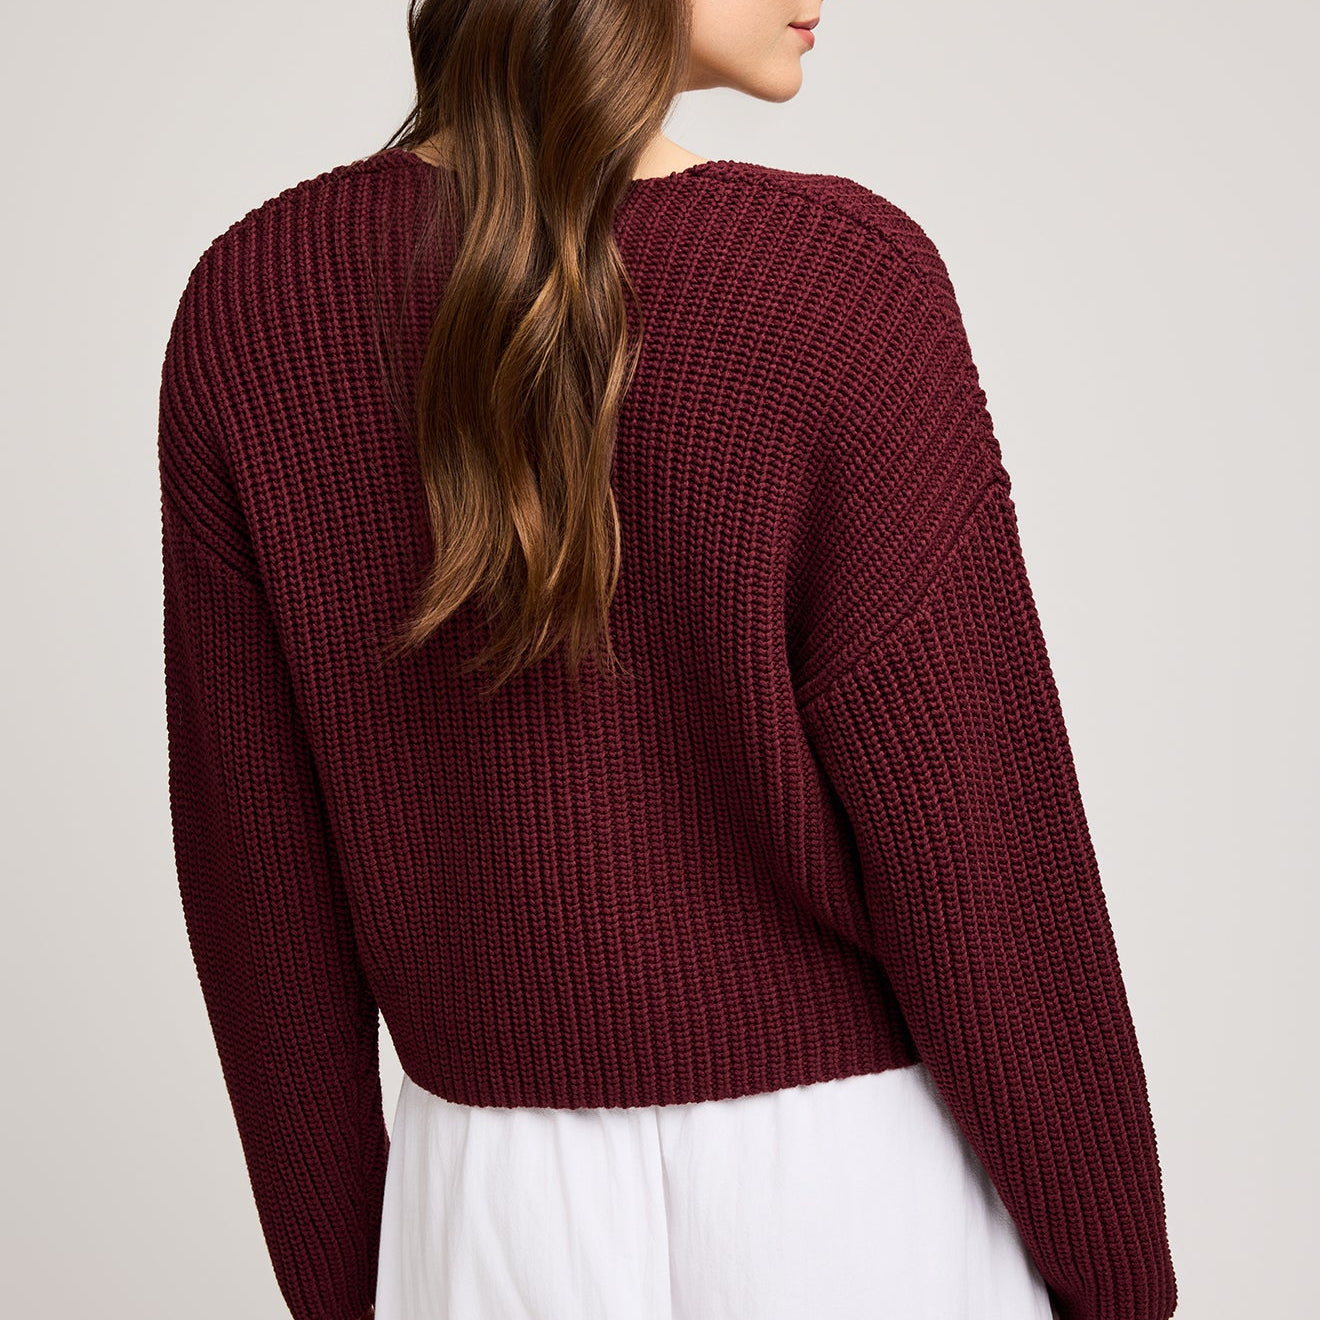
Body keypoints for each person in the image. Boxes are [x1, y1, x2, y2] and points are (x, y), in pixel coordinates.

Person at [156, 1, 1179, 1318]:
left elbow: (261, 900)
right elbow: (987, 867)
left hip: (481, 1205)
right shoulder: (835, 283)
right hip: (855, 1198)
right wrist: (1122, 1285)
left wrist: (355, 1286)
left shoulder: (252, 302)